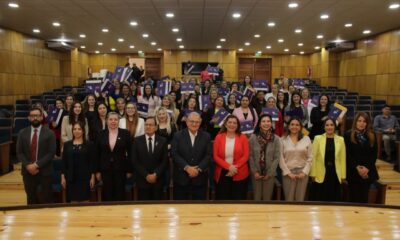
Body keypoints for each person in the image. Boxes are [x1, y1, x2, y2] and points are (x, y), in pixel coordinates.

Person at [16, 106, 56, 204]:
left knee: (46, 199)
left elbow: (51, 153)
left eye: (37, 116)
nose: (35, 118)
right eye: (33, 116)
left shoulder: (50, 133)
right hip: (28, 172)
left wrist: (36, 165)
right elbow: (19, 152)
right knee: (31, 199)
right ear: (29, 118)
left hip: (45, 172)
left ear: (42, 117)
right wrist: (29, 166)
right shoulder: (22, 133)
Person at [171, 112, 212, 200]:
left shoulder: (206, 136)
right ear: (186, 122)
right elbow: (174, 154)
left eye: (197, 122)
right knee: (180, 208)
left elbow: (208, 155)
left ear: (200, 122)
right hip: (181, 179)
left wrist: (198, 169)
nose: (194, 124)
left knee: (199, 208)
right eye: (191, 121)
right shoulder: (177, 135)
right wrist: (187, 167)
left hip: (200, 179)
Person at [95, 112, 132, 201]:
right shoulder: (100, 134)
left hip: (120, 169)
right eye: (111, 119)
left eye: (115, 119)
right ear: (107, 121)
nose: (113, 121)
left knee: (120, 194)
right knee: (107, 194)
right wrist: (97, 171)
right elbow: (96, 154)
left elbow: (130, 153)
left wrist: (130, 170)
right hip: (105, 169)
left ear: (119, 121)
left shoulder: (125, 133)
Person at [213, 115, 249, 200]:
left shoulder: (243, 137)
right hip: (222, 172)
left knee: (238, 200)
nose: (232, 125)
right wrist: (229, 167)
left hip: (239, 171)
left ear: (237, 125)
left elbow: (246, 156)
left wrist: (234, 168)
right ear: (225, 124)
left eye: (234, 123)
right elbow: (215, 156)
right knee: (223, 199)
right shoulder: (219, 137)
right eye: (229, 122)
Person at [345, 112, 379, 203]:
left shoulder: (372, 135)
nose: (361, 123)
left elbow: (374, 155)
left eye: (364, 121)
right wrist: (357, 168)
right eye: (359, 121)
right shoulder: (348, 135)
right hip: (353, 171)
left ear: (367, 123)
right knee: (353, 199)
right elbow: (347, 155)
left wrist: (366, 168)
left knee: (364, 199)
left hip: (367, 172)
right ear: (355, 122)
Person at [131, 117, 168, 200]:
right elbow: (135, 161)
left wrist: (155, 174)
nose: (148, 127)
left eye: (150, 125)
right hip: (142, 180)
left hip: (158, 180)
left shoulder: (163, 141)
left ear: (156, 127)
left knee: (157, 207)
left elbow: (165, 161)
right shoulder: (137, 141)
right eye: (146, 125)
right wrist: (146, 175)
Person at [310, 118, 346, 202]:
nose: (329, 127)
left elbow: (342, 159)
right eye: (327, 125)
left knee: (334, 199)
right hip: (320, 173)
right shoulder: (317, 138)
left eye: (331, 125)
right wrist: (313, 174)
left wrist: (343, 176)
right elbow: (313, 157)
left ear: (335, 126)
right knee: (320, 198)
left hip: (335, 173)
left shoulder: (341, 140)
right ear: (324, 127)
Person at [249, 114, 281, 201]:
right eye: (263, 121)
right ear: (259, 124)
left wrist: (270, 173)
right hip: (256, 173)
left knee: (267, 199)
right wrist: (255, 172)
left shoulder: (276, 139)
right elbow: (250, 156)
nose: (266, 123)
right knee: (257, 198)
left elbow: (277, 157)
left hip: (269, 173)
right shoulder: (253, 137)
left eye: (268, 121)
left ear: (271, 123)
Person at [279, 117, 312, 201]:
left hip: (302, 173)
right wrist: (288, 173)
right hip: (288, 173)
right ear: (288, 126)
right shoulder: (282, 139)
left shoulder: (306, 139)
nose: (294, 127)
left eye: (297, 125)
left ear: (300, 127)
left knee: (300, 200)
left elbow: (310, 157)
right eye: (292, 124)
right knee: (289, 200)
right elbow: (280, 158)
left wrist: (304, 173)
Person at [61, 122, 96, 202]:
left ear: (83, 131)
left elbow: (92, 162)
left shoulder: (89, 144)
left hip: (85, 178)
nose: (77, 131)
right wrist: (63, 177)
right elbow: (64, 162)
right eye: (75, 129)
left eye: (79, 129)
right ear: (72, 131)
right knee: (73, 202)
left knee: (85, 201)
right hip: (71, 178)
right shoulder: (67, 145)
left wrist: (92, 177)